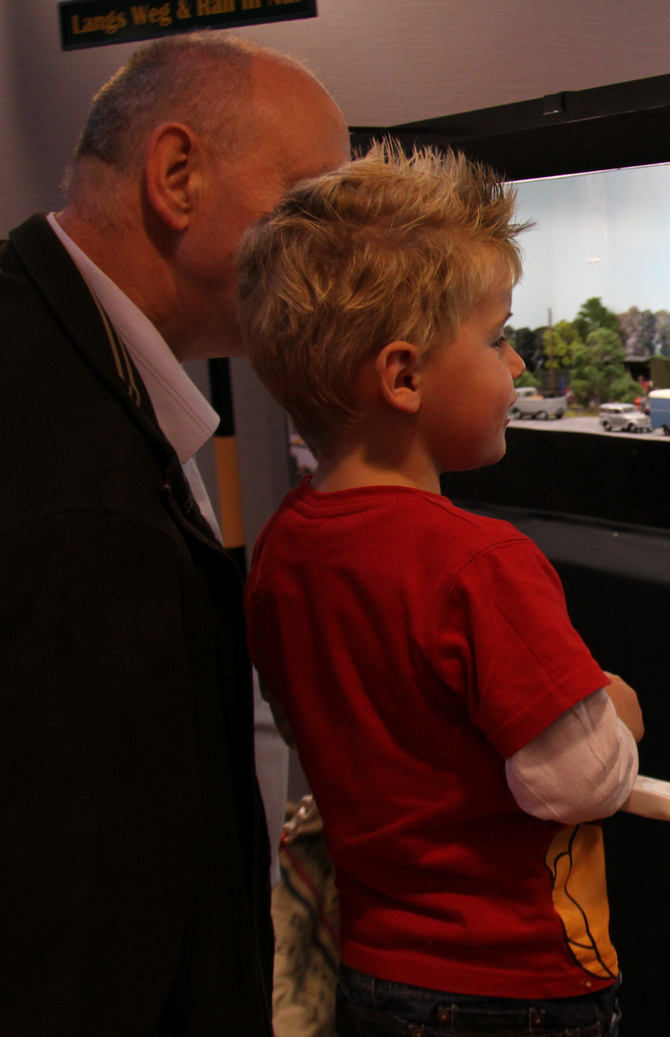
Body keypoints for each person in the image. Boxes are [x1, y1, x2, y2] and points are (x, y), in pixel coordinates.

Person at [238, 144, 644, 1036]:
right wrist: (617, 707)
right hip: (512, 988)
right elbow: (580, 780)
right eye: (497, 337)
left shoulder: (284, 547)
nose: (519, 365)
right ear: (404, 377)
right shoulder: (476, 562)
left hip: (371, 969)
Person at [0, 33, 348, 1036]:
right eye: (308, 205)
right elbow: (80, 944)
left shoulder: (54, 360)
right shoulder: (84, 500)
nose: (335, 256)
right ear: (177, 176)